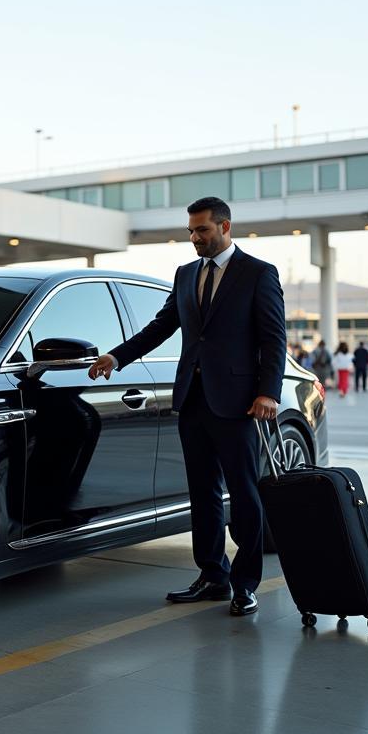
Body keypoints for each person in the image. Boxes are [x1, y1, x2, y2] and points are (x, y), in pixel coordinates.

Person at [89, 196, 286, 618]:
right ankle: (212, 575)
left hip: (238, 405)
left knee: (245, 495)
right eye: (191, 232)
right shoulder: (185, 275)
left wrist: (268, 392)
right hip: (193, 401)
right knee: (203, 494)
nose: (195, 238)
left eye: (203, 231)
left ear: (225, 227)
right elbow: (161, 326)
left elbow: (273, 339)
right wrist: (117, 356)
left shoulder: (258, 273)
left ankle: (245, 583)